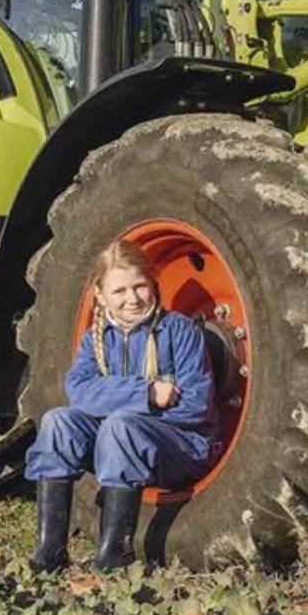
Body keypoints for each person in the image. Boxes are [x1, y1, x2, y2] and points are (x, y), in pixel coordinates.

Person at [24, 240, 219, 571]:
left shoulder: (180, 332)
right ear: (99, 296)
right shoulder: (96, 340)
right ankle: (50, 551)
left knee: (119, 427)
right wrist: (145, 393)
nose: (132, 299)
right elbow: (79, 392)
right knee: (58, 422)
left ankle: (115, 554)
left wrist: (118, 407)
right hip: (122, 440)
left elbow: (196, 406)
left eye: (140, 286)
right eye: (119, 291)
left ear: (152, 283)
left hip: (183, 446)